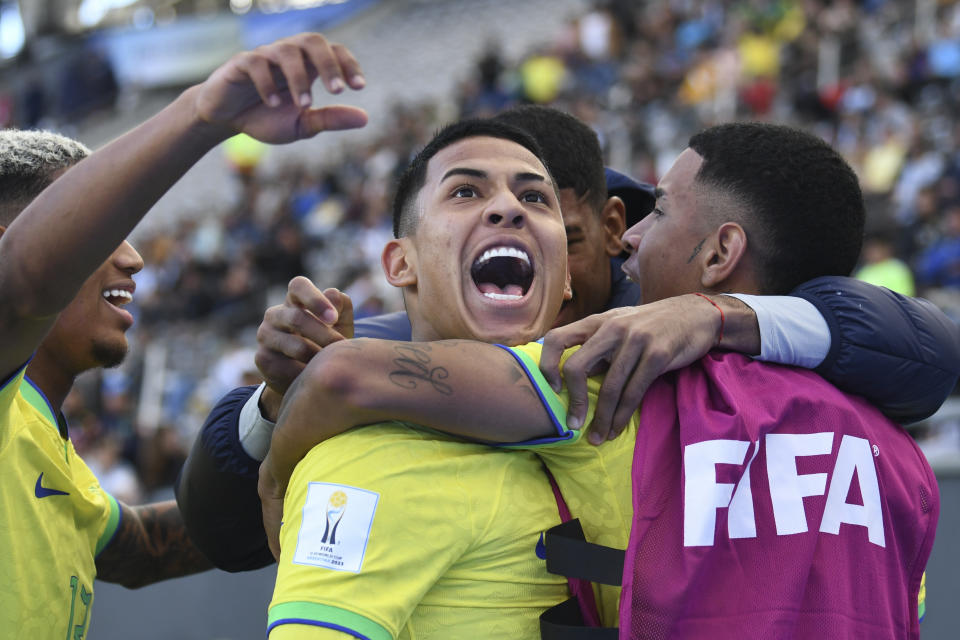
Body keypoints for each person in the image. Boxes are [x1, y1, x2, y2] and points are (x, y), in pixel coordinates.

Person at [177, 103, 960, 573]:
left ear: (609, 230)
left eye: (542, 204)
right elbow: (218, 525)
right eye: (467, 195)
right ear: (405, 260)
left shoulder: (661, 340)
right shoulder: (390, 348)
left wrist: (718, 316)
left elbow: (929, 346)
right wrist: (281, 401)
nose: (509, 217)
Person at [0, 33, 370, 639]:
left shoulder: (39, 437)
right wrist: (203, 116)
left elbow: (150, 548)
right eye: (101, 234)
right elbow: (21, 283)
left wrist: (282, 415)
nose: (135, 258)